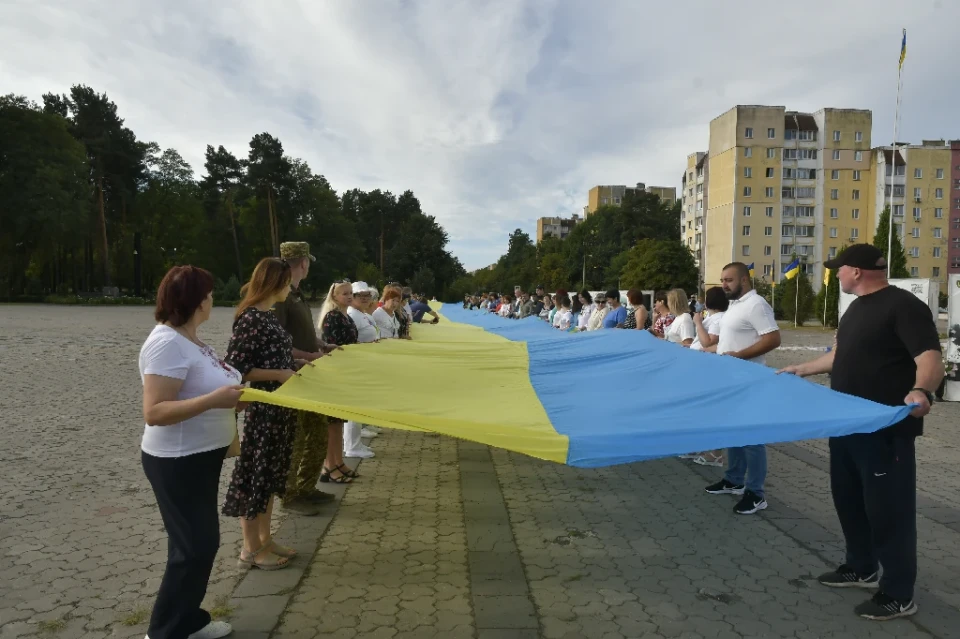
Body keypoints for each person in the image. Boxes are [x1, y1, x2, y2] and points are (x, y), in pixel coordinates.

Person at [778, 244, 942, 621]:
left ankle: (899, 593)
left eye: (839, 269)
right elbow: (839, 356)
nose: (835, 275)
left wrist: (921, 390)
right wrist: (800, 369)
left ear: (857, 271)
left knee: (889, 512)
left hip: (884, 429)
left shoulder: (903, 306)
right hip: (846, 424)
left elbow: (929, 358)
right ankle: (861, 566)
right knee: (849, 500)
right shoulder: (855, 310)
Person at [139, 266, 242, 639]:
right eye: (210, 293)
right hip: (177, 461)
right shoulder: (167, 343)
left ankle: (186, 621)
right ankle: (164, 631)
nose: (213, 300)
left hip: (202, 456)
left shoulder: (190, 339)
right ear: (198, 301)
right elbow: (155, 412)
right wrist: (216, 400)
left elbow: (208, 386)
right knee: (195, 547)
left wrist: (230, 401)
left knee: (196, 544)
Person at [224, 257, 308, 571]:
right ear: (274, 283)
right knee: (255, 478)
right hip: (262, 411)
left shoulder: (268, 316)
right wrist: (278, 374)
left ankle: (265, 539)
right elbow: (236, 369)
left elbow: (277, 357)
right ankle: (250, 549)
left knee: (271, 478)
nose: (290, 288)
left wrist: (295, 367)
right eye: (286, 282)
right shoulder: (250, 318)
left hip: (279, 410)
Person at [704, 262, 780, 515]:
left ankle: (756, 493)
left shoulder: (756, 304)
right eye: (722, 280)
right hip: (731, 381)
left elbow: (772, 338)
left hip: (750, 381)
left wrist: (739, 356)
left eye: (729, 280)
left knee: (751, 439)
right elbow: (728, 342)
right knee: (733, 432)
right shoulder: (735, 306)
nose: (724, 285)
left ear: (744, 280)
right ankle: (734, 479)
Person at [273, 242, 339, 515]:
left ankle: (306, 487)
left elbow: (303, 333)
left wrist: (322, 345)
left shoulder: (296, 294)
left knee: (317, 433)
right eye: (308, 262)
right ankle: (290, 496)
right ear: (303, 263)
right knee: (296, 438)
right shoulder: (280, 296)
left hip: (308, 375)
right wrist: (309, 357)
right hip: (292, 376)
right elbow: (277, 343)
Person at [317, 281, 360, 483]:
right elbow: (334, 348)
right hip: (335, 372)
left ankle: (338, 461)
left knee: (339, 421)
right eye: (345, 293)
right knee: (332, 423)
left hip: (346, 372)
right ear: (334, 296)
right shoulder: (332, 317)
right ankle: (329, 464)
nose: (349, 296)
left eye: (351, 293)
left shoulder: (345, 315)